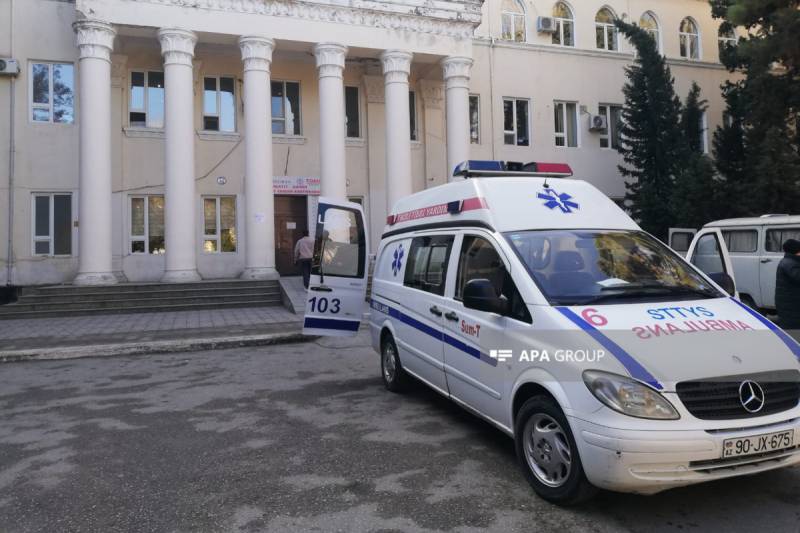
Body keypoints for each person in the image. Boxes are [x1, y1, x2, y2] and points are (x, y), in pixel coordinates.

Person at [775, 238, 800, 331]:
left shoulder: (789, 262)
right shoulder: (790, 264)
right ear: (796, 251)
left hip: (791, 308)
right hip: (791, 310)